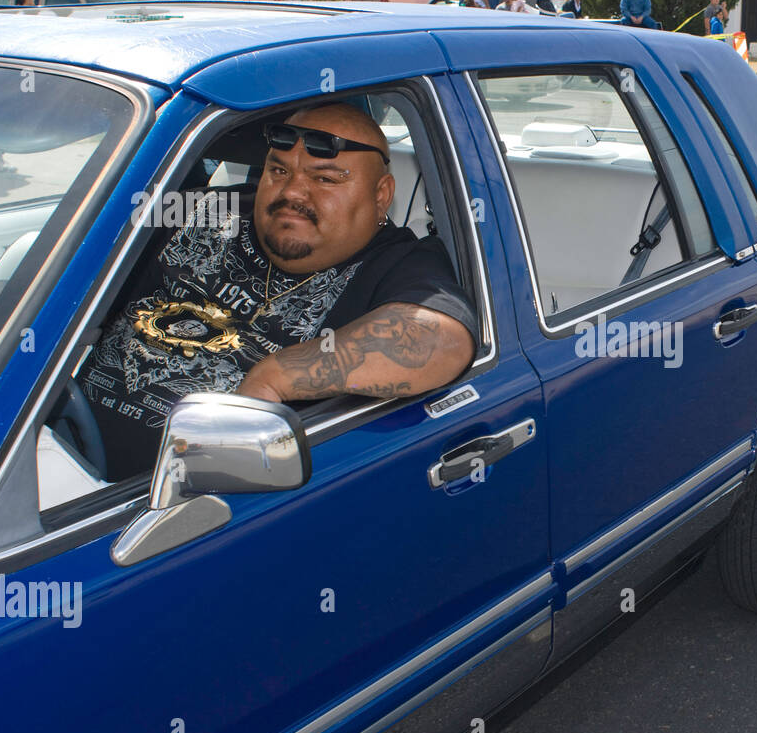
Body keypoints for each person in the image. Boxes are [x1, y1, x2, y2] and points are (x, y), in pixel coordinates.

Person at [77, 102, 477, 482]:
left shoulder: (397, 263)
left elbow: (439, 340)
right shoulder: (205, 210)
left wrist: (274, 378)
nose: (293, 194)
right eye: (279, 171)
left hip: (174, 508)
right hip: (52, 439)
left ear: (380, 196)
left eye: (324, 179)